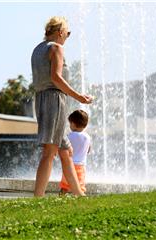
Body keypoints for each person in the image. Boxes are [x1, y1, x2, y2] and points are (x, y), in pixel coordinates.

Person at [31, 16, 93, 197]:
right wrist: (79, 97)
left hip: (41, 99)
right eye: (68, 33)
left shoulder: (37, 49)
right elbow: (56, 78)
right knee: (49, 151)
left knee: (66, 151)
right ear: (60, 32)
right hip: (54, 101)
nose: (67, 36)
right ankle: (38, 197)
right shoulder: (57, 48)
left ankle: (79, 194)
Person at [59, 110, 91, 195]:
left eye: (70, 124)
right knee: (80, 186)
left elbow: (64, 148)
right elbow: (88, 150)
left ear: (73, 123)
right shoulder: (87, 137)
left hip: (70, 165)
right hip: (81, 166)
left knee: (65, 185)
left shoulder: (69, 136)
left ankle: (61, 198)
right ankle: (80, 198)